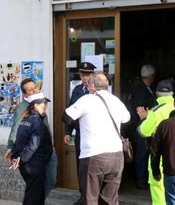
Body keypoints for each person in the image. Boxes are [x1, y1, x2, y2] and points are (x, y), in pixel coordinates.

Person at [64, 73, 130, 204]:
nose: (87, 87)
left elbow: (66, 116)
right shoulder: (116, 100)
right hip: (116, 156)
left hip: (94, 156)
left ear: (93, 86)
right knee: (110, 200)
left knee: (90, 198)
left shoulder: (87, 99)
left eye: (88, 84)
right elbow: (126, 118)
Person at [3, 78, 57, 197]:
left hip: (47, 150)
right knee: (36, 184)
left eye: (35, 87)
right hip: (34, 154)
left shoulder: (39, 103)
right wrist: (11, 147)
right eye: (31, 90)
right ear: (25, 94)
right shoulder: (22, 108)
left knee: (51, 181)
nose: (35, 90)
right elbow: (16, 129)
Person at [10, 92, 53, 205]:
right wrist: (21, 159)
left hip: (28, 164)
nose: (46, 106)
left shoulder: (25, 120)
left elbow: (18, 142)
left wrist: (16, 158)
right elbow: (33, 145)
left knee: (36, 195)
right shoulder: (37, 122)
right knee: (33, 197)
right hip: (34, 165)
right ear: (35, 105)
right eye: (43, 103)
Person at [62, 61, 95, 204]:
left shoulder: (97, 92)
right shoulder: (77, 90)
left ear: (93, 75)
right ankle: (83, 196)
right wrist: (67, 131)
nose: (85, 77)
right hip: (80, 134)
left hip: (94, 135)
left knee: (92, 166)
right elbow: (70, 110)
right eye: (82, 74)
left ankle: (92, 197)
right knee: (81, 166)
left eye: (87, 74)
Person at [137, 80, 175, 205]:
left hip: (159, 159)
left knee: (159, 191)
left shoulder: (155, 111)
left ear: (157, 93)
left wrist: (144, 118)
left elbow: (143, 132)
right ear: (172, 94)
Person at [130, 64, 157, 190]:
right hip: (141, 127)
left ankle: (143, 179)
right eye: (153, 76)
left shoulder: (145, 88)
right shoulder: (141, 89)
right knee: (141, 153)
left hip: (145, 126)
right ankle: (140, 180)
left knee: (144, 153)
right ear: (150, 76)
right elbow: (140, 109)